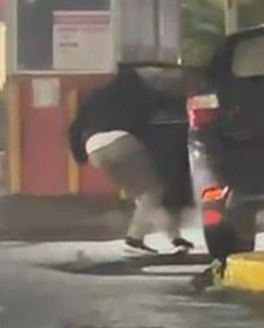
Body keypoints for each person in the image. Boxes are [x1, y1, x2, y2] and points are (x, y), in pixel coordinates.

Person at [69, 67, 195, 254]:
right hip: (121, 141)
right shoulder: (141, 95)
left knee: (143, 195)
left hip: (93, 148)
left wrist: (80, 156)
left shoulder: (97, 94)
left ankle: (175, 239)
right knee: (153, 191)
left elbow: (75, 127)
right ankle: (134, 239)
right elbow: (162, 111)